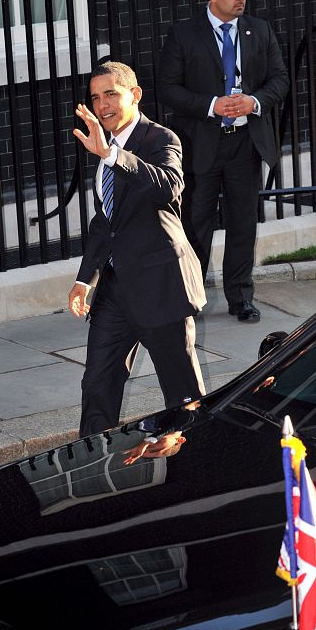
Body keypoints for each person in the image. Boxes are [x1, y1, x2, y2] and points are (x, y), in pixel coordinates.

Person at [68, 61, 206, 437]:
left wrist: (112, 157)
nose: (102, 105)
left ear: (135, 95)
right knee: (97, 385)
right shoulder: (105, 147)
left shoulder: (161, 139)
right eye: (96, 98)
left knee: (182, 395)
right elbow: (106, 222)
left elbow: (167, 186)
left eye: (111, 93)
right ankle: (92, 467)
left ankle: (196, 456)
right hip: (114, 291)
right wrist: (86, 280)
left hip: (161, 285)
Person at [157, 0, 289, 323]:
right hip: (202, 144)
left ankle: (241, 298)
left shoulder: (259, 31)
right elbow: (167, 89)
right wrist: (212, 105)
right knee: (195, 222)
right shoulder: (184, 35)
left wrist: (254, 101)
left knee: (243, 222)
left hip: (246, 141)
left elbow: (279, 79)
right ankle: (191, 298)